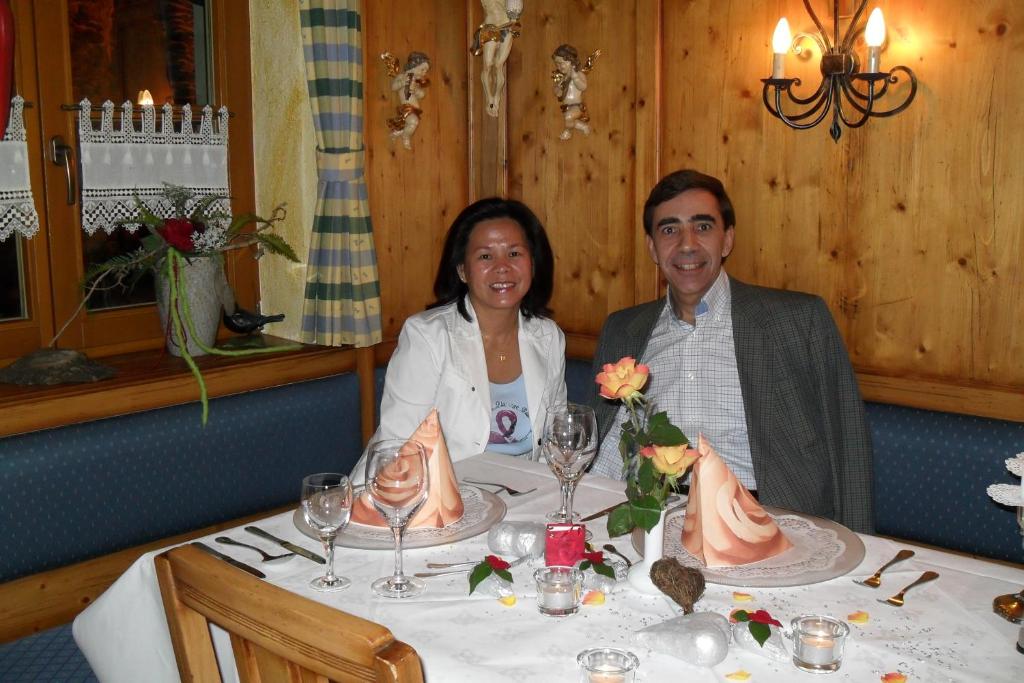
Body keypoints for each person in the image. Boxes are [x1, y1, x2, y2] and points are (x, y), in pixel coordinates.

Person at [588, 169, 874, 533]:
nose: (687, 244)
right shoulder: (623, 329)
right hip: (651, 515)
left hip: (766, 517)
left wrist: (861, 546)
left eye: (703, 227)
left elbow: (847, 440)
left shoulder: (797, 321)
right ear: (652, 248)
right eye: (670, 229)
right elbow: (609, 439)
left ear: (727, 240)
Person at [353, 198, 566, 481]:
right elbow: (399, 444)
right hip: (435, 497)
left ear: (533, 264)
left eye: (514, 253)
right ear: (462, 270)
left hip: (523, 499)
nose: (502, 267)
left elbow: (559, 437)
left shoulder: (549, 337)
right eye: (485, 256)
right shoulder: (428, 336)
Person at [385, 52, 430, 151]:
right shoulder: (403, 77)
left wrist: (416, 91)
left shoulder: (416, 83)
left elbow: (422, 95)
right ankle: (405, 136)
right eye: (422, 70)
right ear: (414, 66)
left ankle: (399, 132)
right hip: (406, 108)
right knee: (413, 122)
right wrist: (402, 83)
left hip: (415, 109)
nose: (424, 73)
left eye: (425, 71)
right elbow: (393, 87)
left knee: (411, 123)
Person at [551, 44, 591, 140]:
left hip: (577, 106)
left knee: (568, 117)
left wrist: (575, 78)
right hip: (566, 107)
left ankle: (568, 132)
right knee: (569, 120)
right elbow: (558, 93)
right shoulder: (564, 78)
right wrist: (557, 89)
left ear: (571, 61)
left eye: (561, 63)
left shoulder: (578, 74)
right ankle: (583, 126)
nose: (559, 66)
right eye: (557, 64)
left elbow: (583, 87)